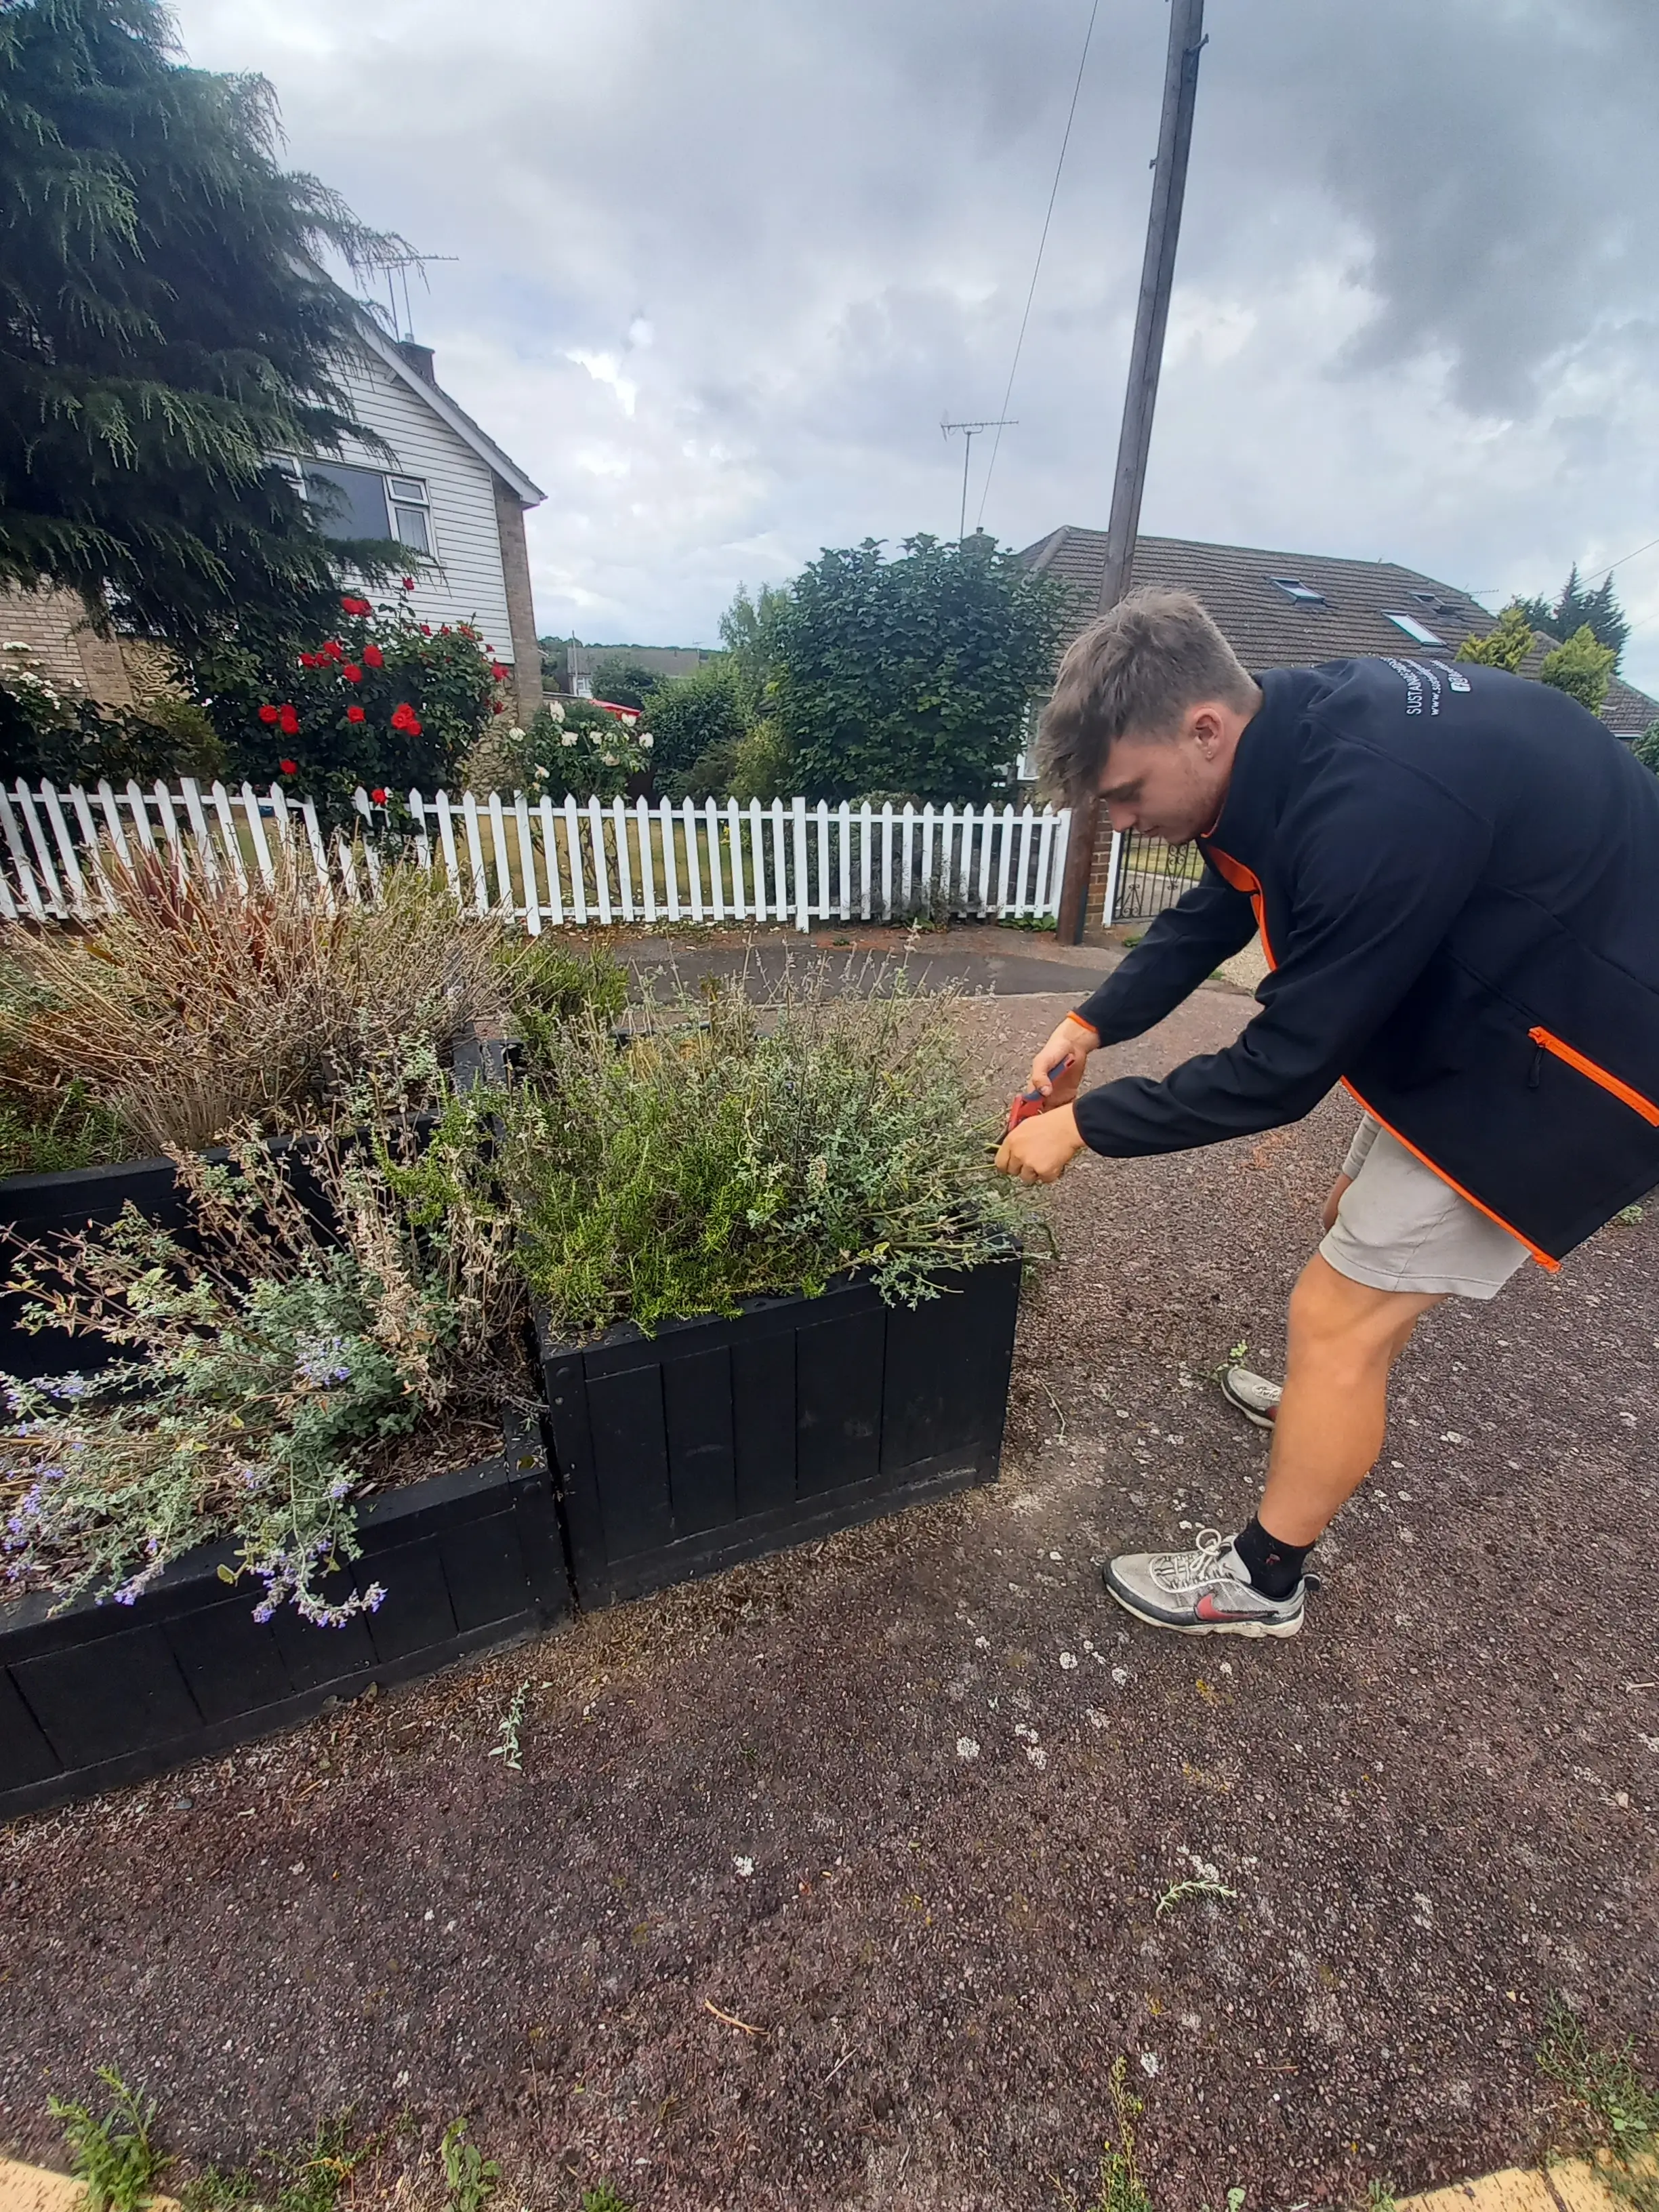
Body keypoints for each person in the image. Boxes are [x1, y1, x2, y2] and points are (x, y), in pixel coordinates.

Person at [995, 588, 1659, 1639]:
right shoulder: (1288, 730)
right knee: (1352, 1223)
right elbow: (1222, 897)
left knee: (1339, 1313)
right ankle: (1325, 1400)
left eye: (1123, 794)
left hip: (1577, 1047)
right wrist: (1090, 1024)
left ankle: (1264, 1582)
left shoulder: (1374, 807)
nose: (1117, 822)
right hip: (1484, 983)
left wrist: (1084, 1127)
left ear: (1203, 726)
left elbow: (1281, 1067)